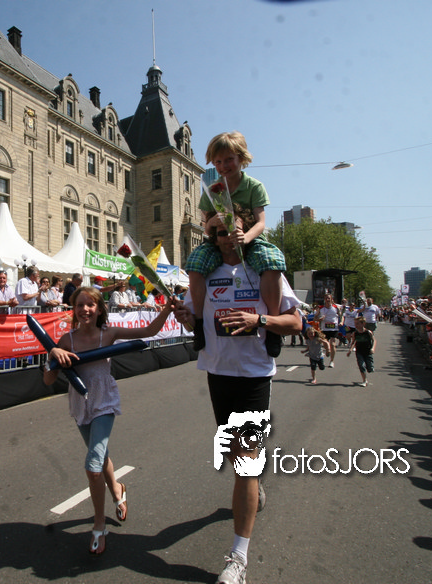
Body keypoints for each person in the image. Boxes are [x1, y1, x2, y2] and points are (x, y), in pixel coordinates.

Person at [174, 213, 301, 584]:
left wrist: (258, 320)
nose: (227, 236)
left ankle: (238, 559)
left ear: (245, 232)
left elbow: (296, 323)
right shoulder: (206, 273)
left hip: (254, 375)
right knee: (235, 454)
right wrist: (185, 316)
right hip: (217, 373)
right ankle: (254, 487)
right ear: (213, 237)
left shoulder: (263, 270)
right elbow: (194, 319)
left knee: (245, 462)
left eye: (233, 229)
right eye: (219, 231)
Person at [43, 286, 175, 555]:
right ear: (74, 310)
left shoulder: (109, 333)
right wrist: (53, 355)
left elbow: (149, 331)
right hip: (81, 405)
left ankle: (99, 525)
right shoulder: (66, 340)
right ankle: (117, 489)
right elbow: (47, 380)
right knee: (100, 455)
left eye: (90, 305)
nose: (85, 310)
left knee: (93, 466)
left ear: (99, 309)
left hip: (104, 402)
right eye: (80, 305)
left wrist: (167, 310)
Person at [184, 131, 286, 356]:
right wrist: (211, 222)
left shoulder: (254, 186)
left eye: (229, 160)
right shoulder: (212, 190)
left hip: (249, 239)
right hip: (219, 241)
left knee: (272, 260)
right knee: (195, 263)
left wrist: (246, 237)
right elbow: (206, 228)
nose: (223, 166)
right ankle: (199, 324)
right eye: (218, 162)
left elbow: (261, 223)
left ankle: (273, 324)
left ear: (241, 158)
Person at [347, 315, 376, 387]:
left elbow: (374, 340)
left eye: (357, 323)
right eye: (355, 323)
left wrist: (373, 348)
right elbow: (353, 342)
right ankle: (364, 380)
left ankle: (370, 367)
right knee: (361, 365)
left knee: (370, 368)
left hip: (367, 351)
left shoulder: (368, 332)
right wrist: (350, 350)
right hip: (359, 351)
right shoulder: (355, 333)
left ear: (363, 324)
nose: (356, 325)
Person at [315, 293, 342, 367]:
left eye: (329, 298)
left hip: (334, 328)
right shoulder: (320, 308)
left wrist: (341, 322)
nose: (327, 300)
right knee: (325, 344)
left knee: (332, 344)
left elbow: (341, 316)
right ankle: (327, 350)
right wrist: (319, 319)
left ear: (331, 299)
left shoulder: (336, 307)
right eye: (326, 298)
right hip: (324, 329)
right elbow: (315, 318)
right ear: (324, 299)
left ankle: (332, 361)